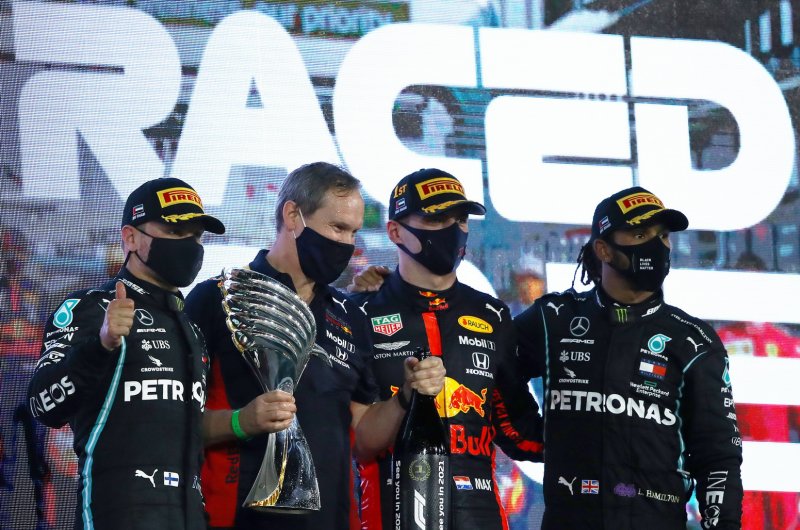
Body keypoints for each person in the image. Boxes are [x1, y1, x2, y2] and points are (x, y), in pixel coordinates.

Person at [184, 162, 444, 530]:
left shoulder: (350, 316)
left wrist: (406, 395)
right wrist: (241, 422)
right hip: (236, 519)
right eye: (337, 227)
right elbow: (172, 424)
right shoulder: (216, 300)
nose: (347, 243)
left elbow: (363, 439)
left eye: (353, 232)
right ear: (293, 216)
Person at [26, 177, 294, 530]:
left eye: (196, 236)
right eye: (174, 231)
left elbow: (181, 426)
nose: (189, 245)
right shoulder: (91, 308)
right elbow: (42, 406)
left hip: (188, 516)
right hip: (116, 515)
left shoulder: (190, 327)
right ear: (130, 237)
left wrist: (242, 421)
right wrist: (101, 344)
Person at [514, 186, 743, 529]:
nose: (657, 245)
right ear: (603, 249)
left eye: (662, 235)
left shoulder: (693, 341)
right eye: (640, 235)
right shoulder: (554, 319)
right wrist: (528, 437)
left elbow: (719, 457)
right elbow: (491, 370)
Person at [348, 168, 543, 530]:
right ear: (395, 232)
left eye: (461, 219)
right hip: (390, 514)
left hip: (480, 516)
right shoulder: (359, 313)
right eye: (437, 219)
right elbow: (358, 443)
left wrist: (594, 435)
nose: (453, 229)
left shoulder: (492, 314)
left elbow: (517, 431)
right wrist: (406, 397)